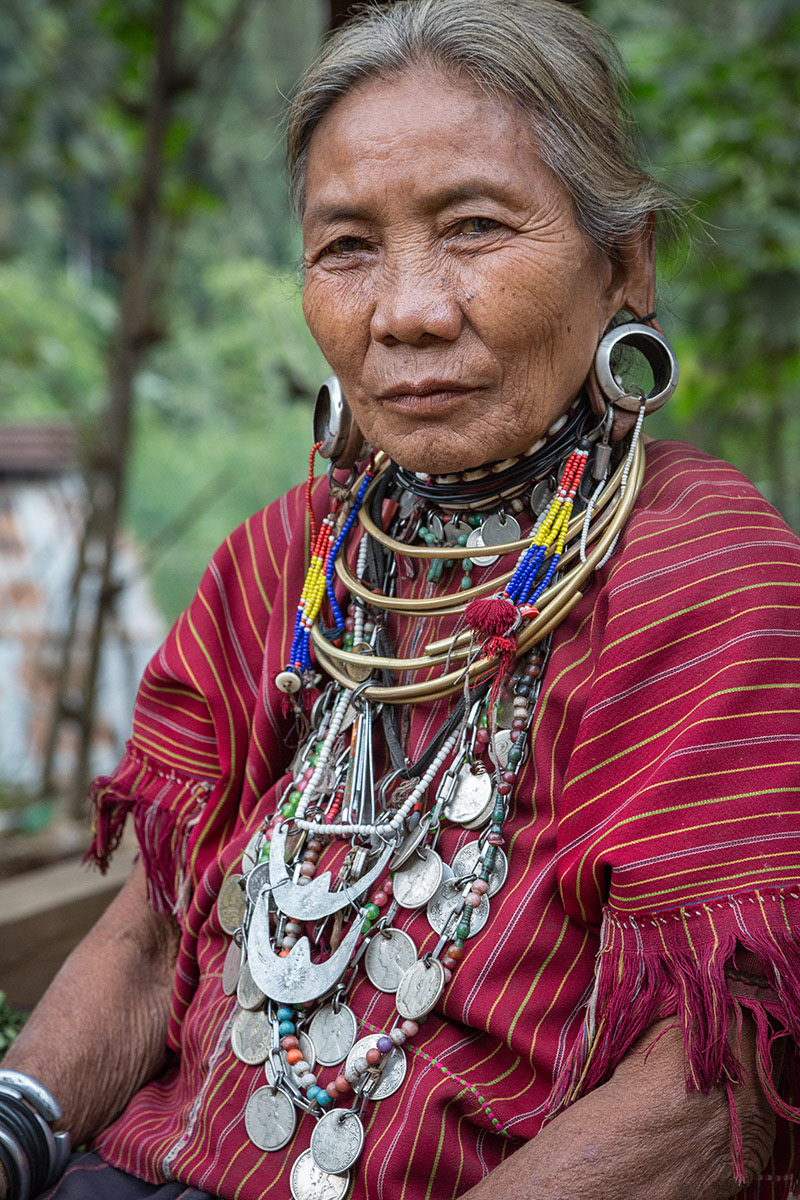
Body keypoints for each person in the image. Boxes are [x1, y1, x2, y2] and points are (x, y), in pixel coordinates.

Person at [2, 1, 799, 1198]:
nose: (406, 312)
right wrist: (16, 1129)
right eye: (347, 248)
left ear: (622, 260)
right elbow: (157, 924)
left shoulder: (703, 575)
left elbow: (716, 1074)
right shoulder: (292, 556)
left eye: (473, 229)